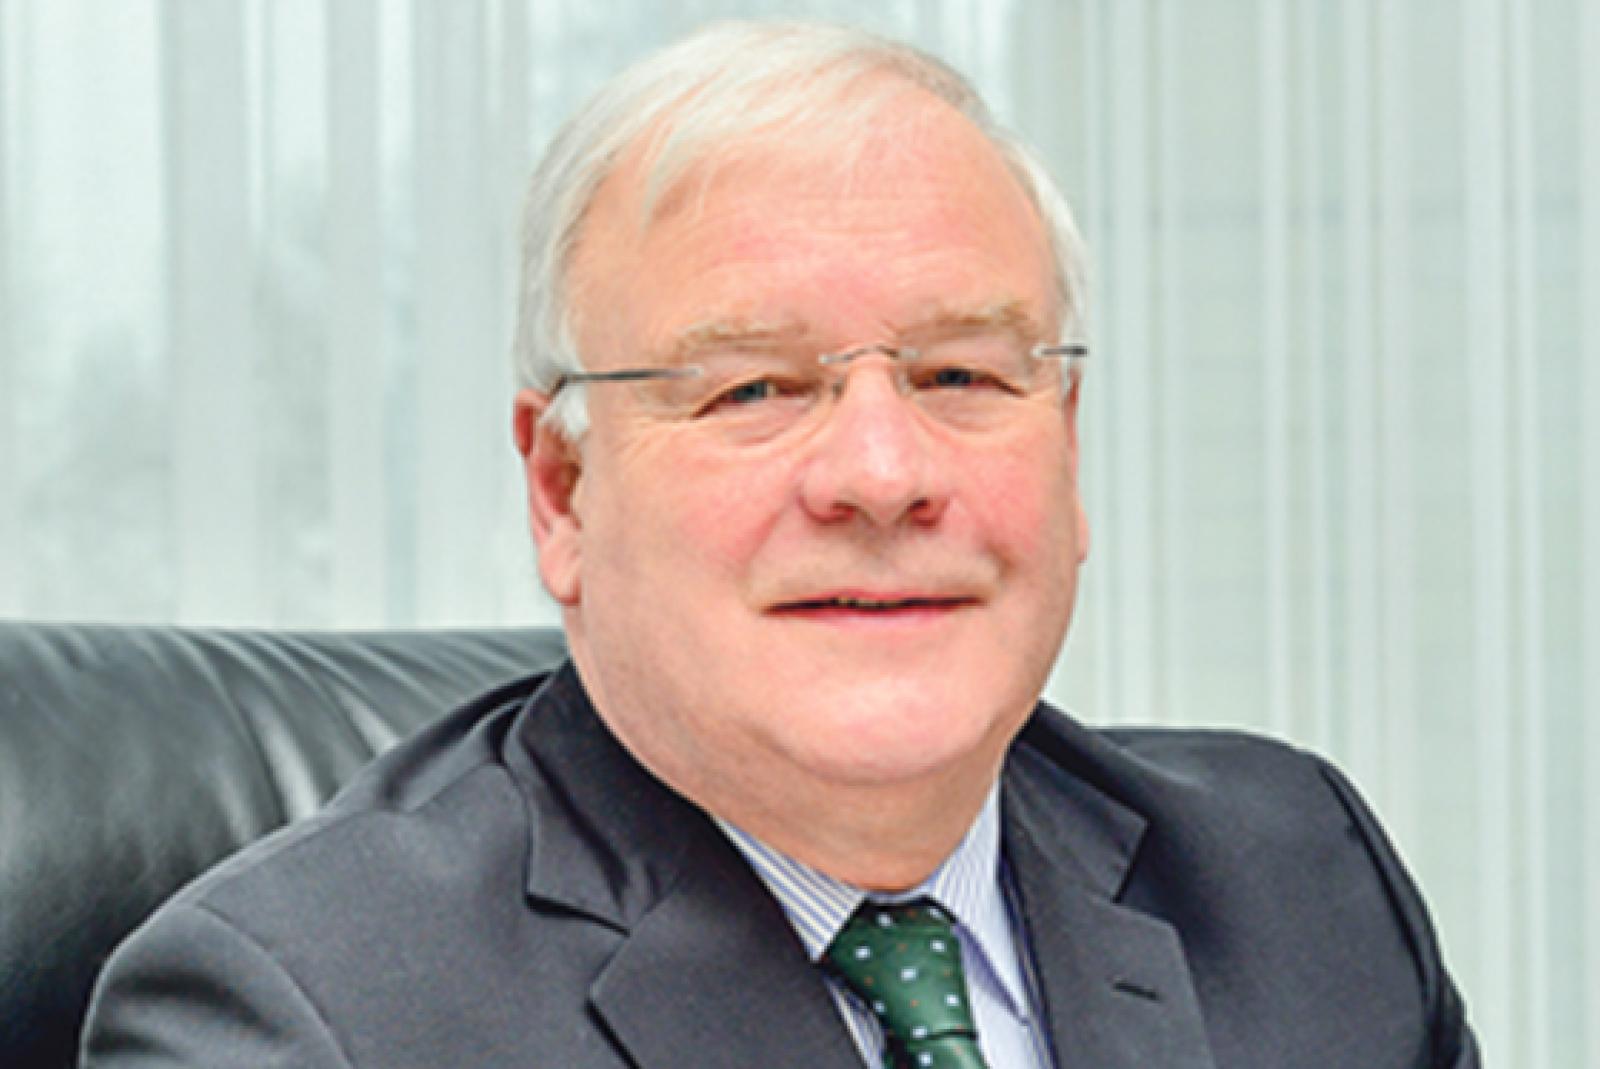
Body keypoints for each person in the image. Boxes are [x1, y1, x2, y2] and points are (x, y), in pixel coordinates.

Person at [80, 20, 1477, 1068]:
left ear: (1067, 441)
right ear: (563, 491)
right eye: (753, 388)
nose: (883, 476)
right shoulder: (306, 1014)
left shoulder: (1301, 886)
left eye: (961, 374)